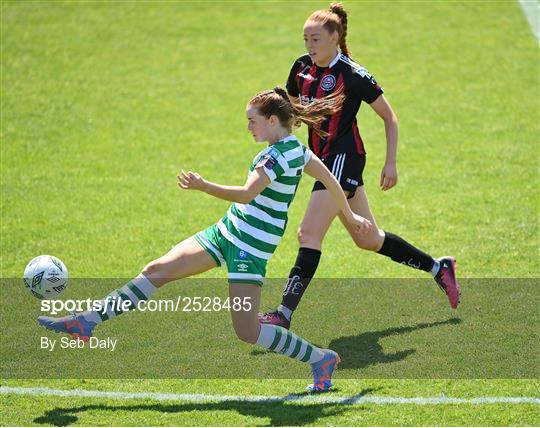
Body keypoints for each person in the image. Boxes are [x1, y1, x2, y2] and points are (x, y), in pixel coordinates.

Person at [37, 87, 372, 393]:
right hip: (226, 232)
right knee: (158, 269)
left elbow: (245, 194)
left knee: (247, 331)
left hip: (249, 249)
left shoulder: (276, 157)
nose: (248, 128)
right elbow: (330, 178)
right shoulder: (296, 150)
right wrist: (350, 214)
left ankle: (319, 358)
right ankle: (87, 322)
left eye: (252, 121)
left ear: (272, 120)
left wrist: (203, 185)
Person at [259, 3, 460, 330]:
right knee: (367, 238)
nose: (309, 46)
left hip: (345, 157)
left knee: (308, 232)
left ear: (335, 37)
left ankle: (283, 314)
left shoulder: (353, 75)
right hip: (322, 159)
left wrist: (390, 163)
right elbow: (293, 113)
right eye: (305, 39)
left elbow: (389, 117)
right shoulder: (301, 68)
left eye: (316, 39)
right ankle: (439, 268)